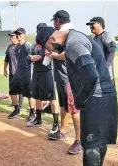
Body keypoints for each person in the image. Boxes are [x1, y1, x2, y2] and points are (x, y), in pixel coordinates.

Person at [38, 26, 118, 166]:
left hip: (95, 96)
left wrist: (79, 100)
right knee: (99, 139)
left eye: (47, 47)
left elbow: (90, 77)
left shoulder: (73, 43)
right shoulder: (75, 37)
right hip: (105, 93)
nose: (48, 51)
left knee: (90, 143)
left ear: (52, 38)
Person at [49, 10, 82, 154]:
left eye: (54, 21)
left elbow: (67, 54)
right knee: (64, 106)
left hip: (69, 78)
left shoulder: (69, 34)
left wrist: (53, 54)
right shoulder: (62, 34)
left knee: (74, 109)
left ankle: (79, 141)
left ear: (58, 20)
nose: (53, 24)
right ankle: (63, 131)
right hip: (61, 77)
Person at [86, 17, 118, 131]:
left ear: (100, 24)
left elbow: (111, 51)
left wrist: (106, 67)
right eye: (90, 25)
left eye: (93, 24)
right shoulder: (94, 38)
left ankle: (116, 123)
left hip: (106, 75)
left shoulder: (106, 35)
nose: (91, 26)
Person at [27, 23, 60, 140]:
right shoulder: (34, 44)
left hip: (47, 72)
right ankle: (38, 119)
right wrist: (31, 58)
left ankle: (56, 124)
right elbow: (28, 56)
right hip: (36, 72)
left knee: (52, 98)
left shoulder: (51, 43)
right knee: (37, 97)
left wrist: (49, 54)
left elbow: (58, 55)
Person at [7, 27, 36, 121]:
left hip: (27, 74)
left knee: (29, 94)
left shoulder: (28, 46)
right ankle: (16, 110)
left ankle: (32, 112)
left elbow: (35, 56)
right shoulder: (17, 47)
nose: (18, 35)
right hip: (18, 74)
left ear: (24, 35)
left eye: (20, 34)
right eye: (17, 34)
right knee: (12, 92)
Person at [4, 31, 24, 111]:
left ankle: (20, 105)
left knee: (20, 90)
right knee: (12, 88)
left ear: (17, 37)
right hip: (11, 71)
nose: (11, 38)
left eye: (12, 36)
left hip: (19, 72)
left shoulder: (20, 46)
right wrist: (5, 68)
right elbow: (6, 59)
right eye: (10, 36)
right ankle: (14, 103)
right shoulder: (9, 47)